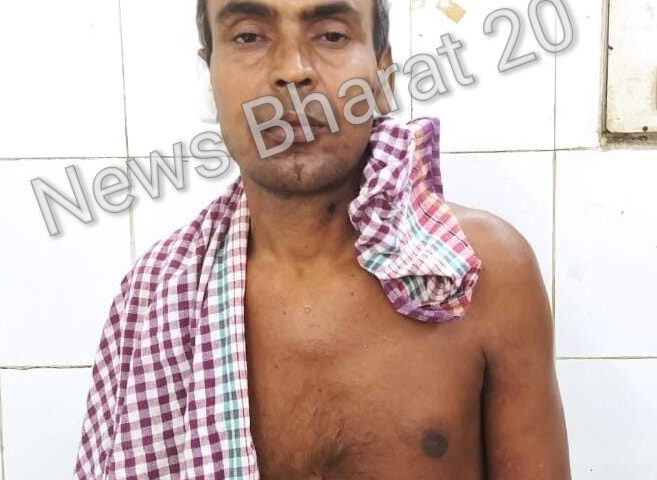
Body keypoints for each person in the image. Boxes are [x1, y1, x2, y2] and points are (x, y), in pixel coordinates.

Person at [74, 0, 571, 478]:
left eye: (332, 35)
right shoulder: (157, 296)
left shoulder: (480, 272)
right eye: (248, 36)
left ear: (383, 80)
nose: (292, 71)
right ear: (210, 76)